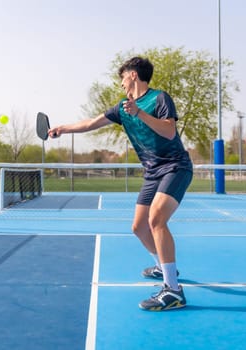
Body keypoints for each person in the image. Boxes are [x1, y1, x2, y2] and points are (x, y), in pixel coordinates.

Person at [48, 56, 193, 311]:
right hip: (152, 172)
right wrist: (63, 128)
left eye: (123, 77)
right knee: (139, 227)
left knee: (157, 220)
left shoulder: (159, 98)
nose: (122, 83)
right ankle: (163, 266)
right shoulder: (121, 107)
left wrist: (139, 113)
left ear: (133, 75)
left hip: (175, 166)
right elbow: (91, 122)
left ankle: (174, 290)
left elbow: (169, 131)